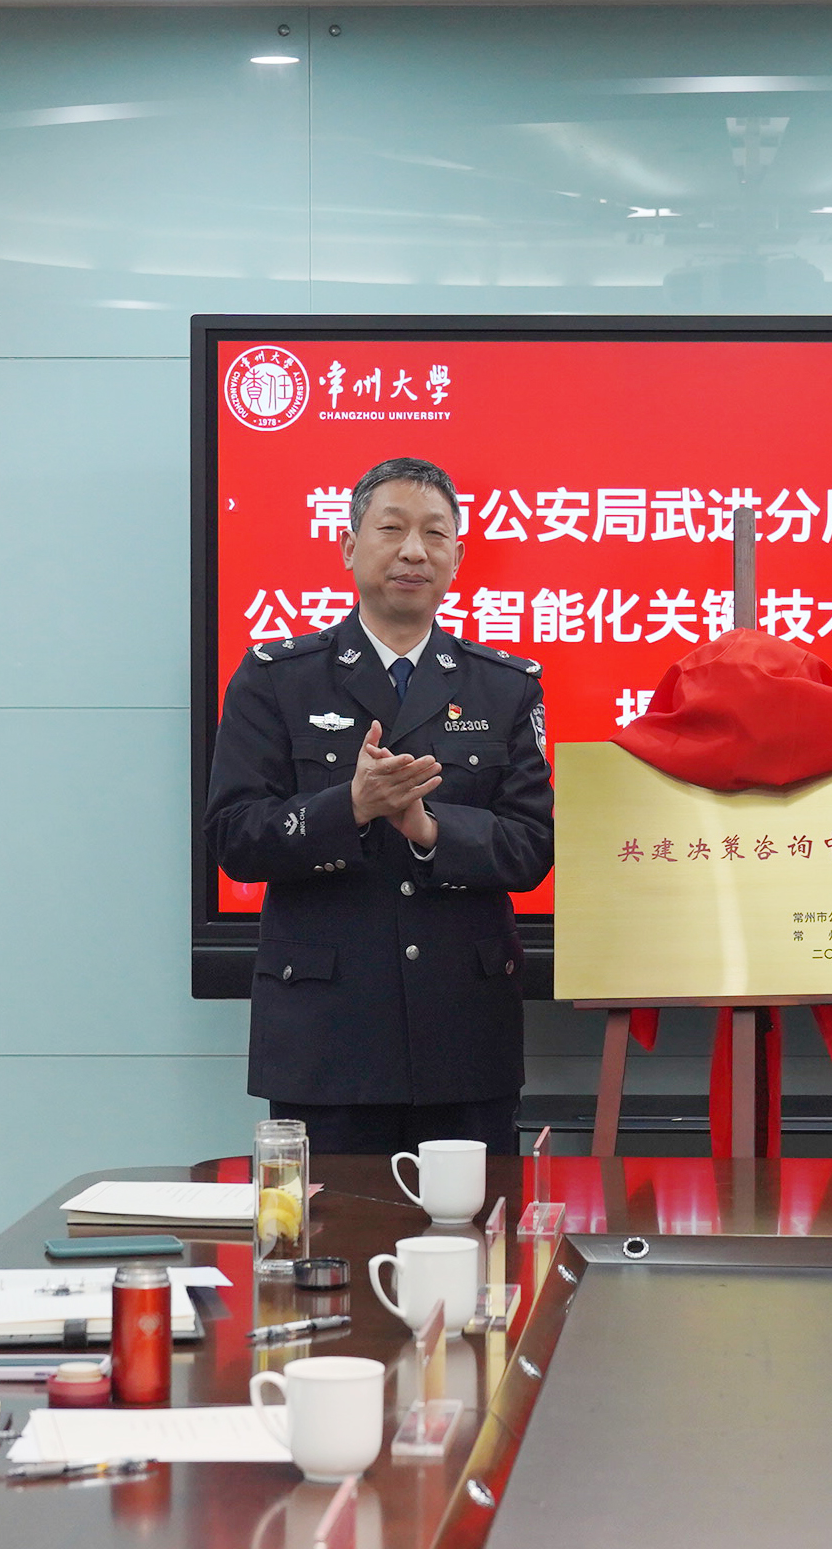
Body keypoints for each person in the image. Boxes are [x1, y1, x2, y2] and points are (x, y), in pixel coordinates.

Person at [205, 457, 553, 1155]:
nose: (414, 551)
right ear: (348, 547)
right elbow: (234, 836)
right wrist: (351, 807)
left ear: (458, 557)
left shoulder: (505, 687)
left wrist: (429, 830)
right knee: (329, 1228)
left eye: (435, 534)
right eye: (391, 529)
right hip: (327, 1036)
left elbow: (530, 847)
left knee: (474, 1224)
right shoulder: (276, 679)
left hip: (463, 1033)